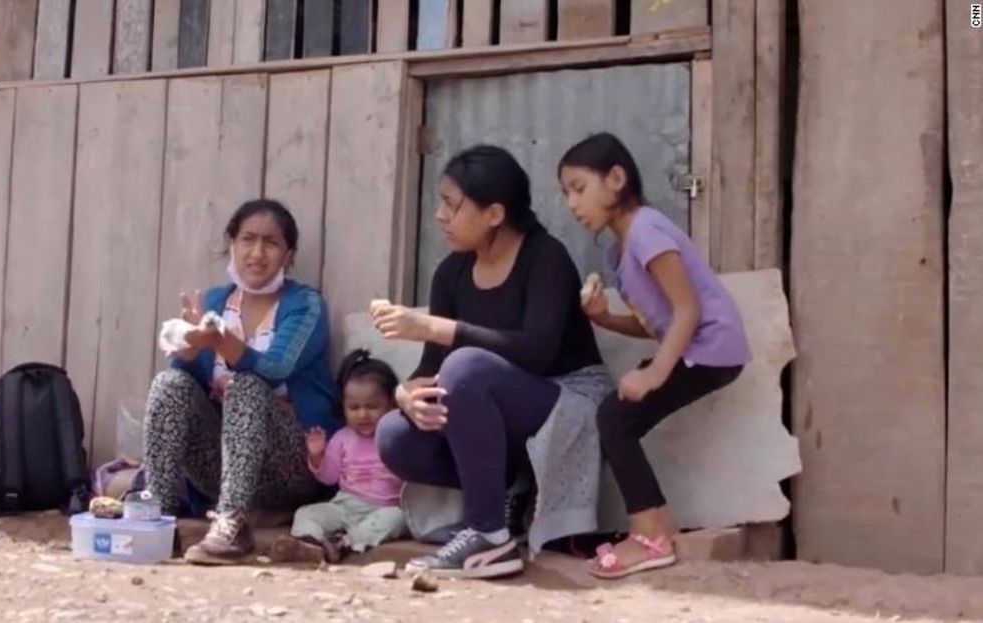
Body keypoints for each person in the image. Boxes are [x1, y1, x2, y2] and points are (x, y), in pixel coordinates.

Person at [372, 145, 607, 579]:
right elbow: (432, 364)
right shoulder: (451, 273)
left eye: (452, 204)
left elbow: (536, 351)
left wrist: (435, 327)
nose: (440, 215)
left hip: (566, 399)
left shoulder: (545, 258)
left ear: (494, 214)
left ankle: (489, 537)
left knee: (465, 369)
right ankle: (506, 495)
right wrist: (406, 395)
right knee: (394, 435)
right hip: (495, 415)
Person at [559, 132, 751, 579]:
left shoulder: (646, 230)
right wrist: (605, 319)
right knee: (618, 418)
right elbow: (657, 323)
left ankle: (649, 537)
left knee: (615, 417)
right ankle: (656, 527)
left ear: (617, 178)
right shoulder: (619, 249)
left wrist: (654, 374)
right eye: (565, 193)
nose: (571, 203)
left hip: (712, 348)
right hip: (698, 348)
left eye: (578, 188)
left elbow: (688, 309)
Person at [142, 199, 340, 566]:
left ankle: (233, 522)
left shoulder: (305, 304)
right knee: (168, 384)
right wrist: (186, 351)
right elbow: (187, 387)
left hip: (293, 464)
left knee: (248, 386)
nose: (257, 253)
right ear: (232, 244)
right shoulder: (216, 301)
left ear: (288, 254)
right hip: (222, 464)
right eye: (248, 239)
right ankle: (157, 518)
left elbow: (275, 368)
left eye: (271, 243)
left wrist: (219, 340)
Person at [270, 349, 407, 564]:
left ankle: (343, 543)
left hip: (383, 509)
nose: (363, 414)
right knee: (305, 514)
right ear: (343, 407)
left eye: (372, 407)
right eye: (354, 407)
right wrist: (317, 457)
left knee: (397, 519)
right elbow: (329, 477)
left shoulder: (394, 436)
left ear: (392, 404)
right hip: (345, 506)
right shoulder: (342, 438)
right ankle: (312, 544)